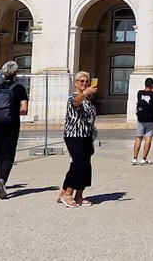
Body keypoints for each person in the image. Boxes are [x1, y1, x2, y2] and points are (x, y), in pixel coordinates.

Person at [0, 60, 30, 199]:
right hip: (11, 125)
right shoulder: (19, 88)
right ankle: (2, 180)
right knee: (8, 156)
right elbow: (24, 109)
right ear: (15, 74)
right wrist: (12, 111)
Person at [58, 70, 98, 207]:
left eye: (86, 81)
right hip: (73, 135)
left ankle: (79, 196)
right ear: (76, 83)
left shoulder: (89, 100)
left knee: (86, 166)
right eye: (81, 81)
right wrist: (85, 92)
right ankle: (67, 193)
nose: (84, 83)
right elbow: (75, 103)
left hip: (86, 136)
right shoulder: (74, 97)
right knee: (78, 163)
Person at [132, 78, 153, 164]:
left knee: (139, 138)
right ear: (152, 85)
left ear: (145, 84)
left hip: (141, 118)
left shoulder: (139, 93)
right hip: (151, 119)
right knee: (148, 138)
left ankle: (135, 158)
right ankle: (144, 158)